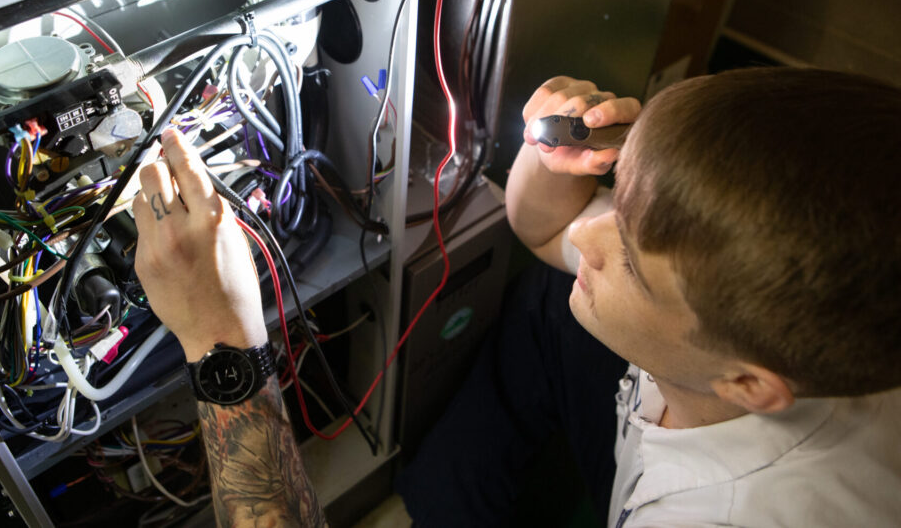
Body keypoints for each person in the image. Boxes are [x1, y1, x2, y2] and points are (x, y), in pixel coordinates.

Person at [134, 67, 901, 527]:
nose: (593, 239)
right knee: (552, 305)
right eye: (619, 195)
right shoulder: (762, 316)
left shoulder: (722, 514)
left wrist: (221, 336)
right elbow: (549, 231)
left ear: (747, 382)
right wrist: (555, 162)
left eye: (629, 256)